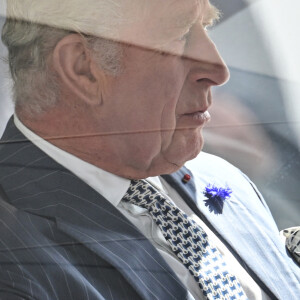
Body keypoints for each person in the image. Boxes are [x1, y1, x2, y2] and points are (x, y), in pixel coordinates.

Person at [0, 0, 299, 299]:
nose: (219, 71)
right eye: (181, 36)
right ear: (83, 67)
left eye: (206, 27)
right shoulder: (12, 251)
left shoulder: (225, 181)